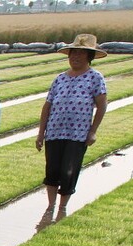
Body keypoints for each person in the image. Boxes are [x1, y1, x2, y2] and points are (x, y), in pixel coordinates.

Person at [36, 34, 108, 217]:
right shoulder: (60, 78)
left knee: (69, 170)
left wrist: (93, 131)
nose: (75, 57)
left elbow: (102, 105)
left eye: (80, 53)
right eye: (73, 53)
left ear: (89, 57)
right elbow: (47, 106)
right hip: (54, 131)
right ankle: (50, 205)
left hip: (78, 134)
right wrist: (41, 133)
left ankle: (62, 207)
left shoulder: (95, 78)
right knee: (52, 169)